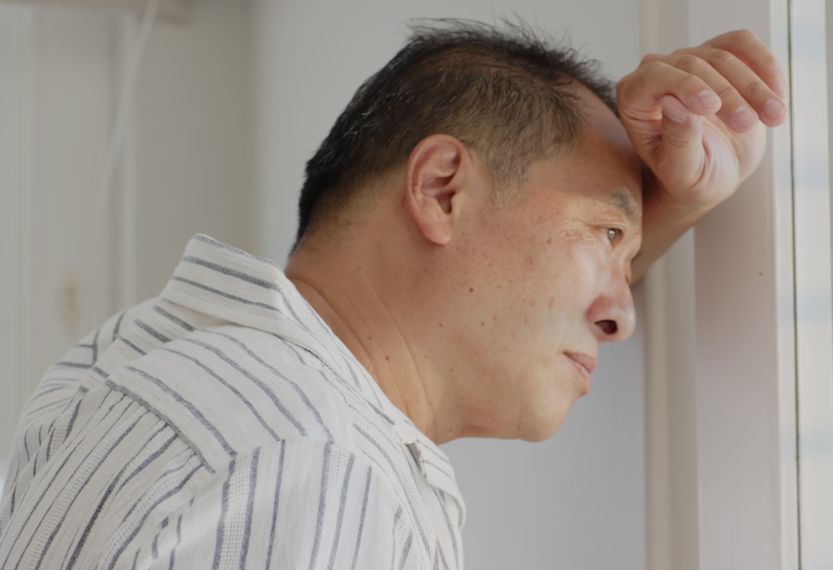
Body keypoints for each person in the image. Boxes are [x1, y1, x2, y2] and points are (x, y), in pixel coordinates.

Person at [0, 19, 786, 569]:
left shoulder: (141, 369)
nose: (622, 317)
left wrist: (665, 206)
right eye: (607, 236)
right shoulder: (310, 463)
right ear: (442, 190)